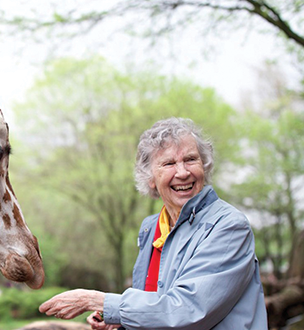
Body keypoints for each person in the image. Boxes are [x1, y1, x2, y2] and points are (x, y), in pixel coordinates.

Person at [39, 117, 268, 329]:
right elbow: (155, 302)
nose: (182, 172)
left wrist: (95, 300)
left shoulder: (228, 227)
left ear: (204, 166)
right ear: (150, 178)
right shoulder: (153, 227)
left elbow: (187, 310)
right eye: (168, 163)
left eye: (190, 159)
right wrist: (120, 320)